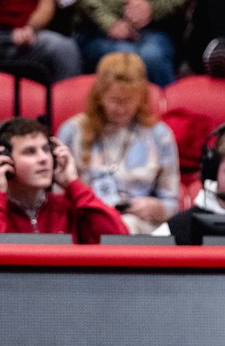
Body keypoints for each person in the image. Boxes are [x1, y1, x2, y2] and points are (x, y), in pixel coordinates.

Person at [57, 52, 180, 235]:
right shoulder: (73, 130)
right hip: (86, 221)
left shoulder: (159, 134)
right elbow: (56, 193)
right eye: (114, 101)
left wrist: (155, 208)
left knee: (127, 224)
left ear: (142, 97)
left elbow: (172, 203)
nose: (121, 108)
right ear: (99, 96)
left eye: (129, 101)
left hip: (139, 228)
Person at [0, 116, 128, 243]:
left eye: (46, 149)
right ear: (4, 160)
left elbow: (119, 241)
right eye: (30, 152)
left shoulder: (71, 211)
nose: (43, 158)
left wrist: (74, 184)